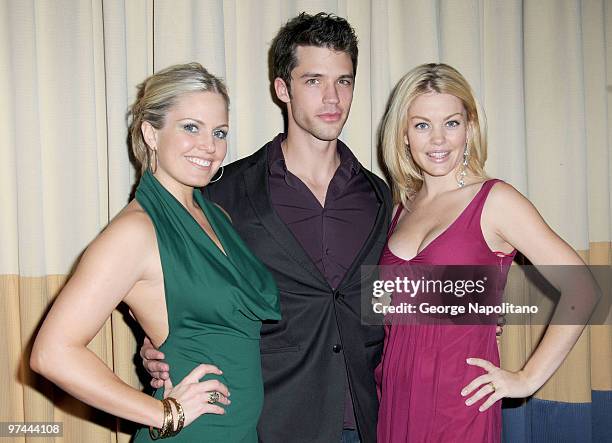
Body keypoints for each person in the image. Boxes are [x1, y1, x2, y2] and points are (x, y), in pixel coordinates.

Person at [141, 13, 393, 443]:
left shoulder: (379, 194)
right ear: (282, 89)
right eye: (314, 80)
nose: (332, 97)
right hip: (268, 421)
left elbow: (387, 292)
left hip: (364, 418)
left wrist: (483, 307)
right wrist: (158, 343)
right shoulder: (224, 193)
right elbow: (175, 283)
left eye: (344, 80)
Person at [30, 62, 280, 442]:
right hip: (193, 434)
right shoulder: (136, 231)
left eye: (220, 132)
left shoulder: (217, 216)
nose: (209, 146)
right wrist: (163, 412)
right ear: (151, 132)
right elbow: (52, 353)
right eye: (190, 127)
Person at [374, 63, 595, 442]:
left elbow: (584, 289)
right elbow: (389, 306)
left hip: (460, 403)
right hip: (395, 397)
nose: (439, 139)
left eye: (452, 123)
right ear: (404, 135)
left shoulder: (495, 200)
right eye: (422, 124)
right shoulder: (400, 208)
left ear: (470, 128)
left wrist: (527, 378)